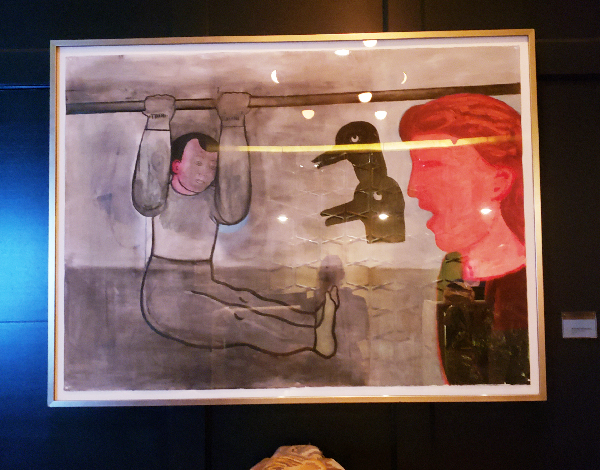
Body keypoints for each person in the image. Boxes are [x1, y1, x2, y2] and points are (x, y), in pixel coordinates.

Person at [132, 93, 339, 357]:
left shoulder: (213, 199)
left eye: (212, 166)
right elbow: (147, 192)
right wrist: (158, 122)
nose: (205, 173)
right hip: (165, 296)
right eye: (197, 163)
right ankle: (313, 339)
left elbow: (234, 200)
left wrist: (232, 124)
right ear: (175, 165)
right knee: (235, 319)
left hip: (201, 280)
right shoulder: (160, 195)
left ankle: (310, 322)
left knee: (246, 301)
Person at [399, 93, 529, 384]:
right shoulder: (453, 270)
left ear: (499, 183)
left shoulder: (528, 286)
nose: (413, 187)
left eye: (432, 166)